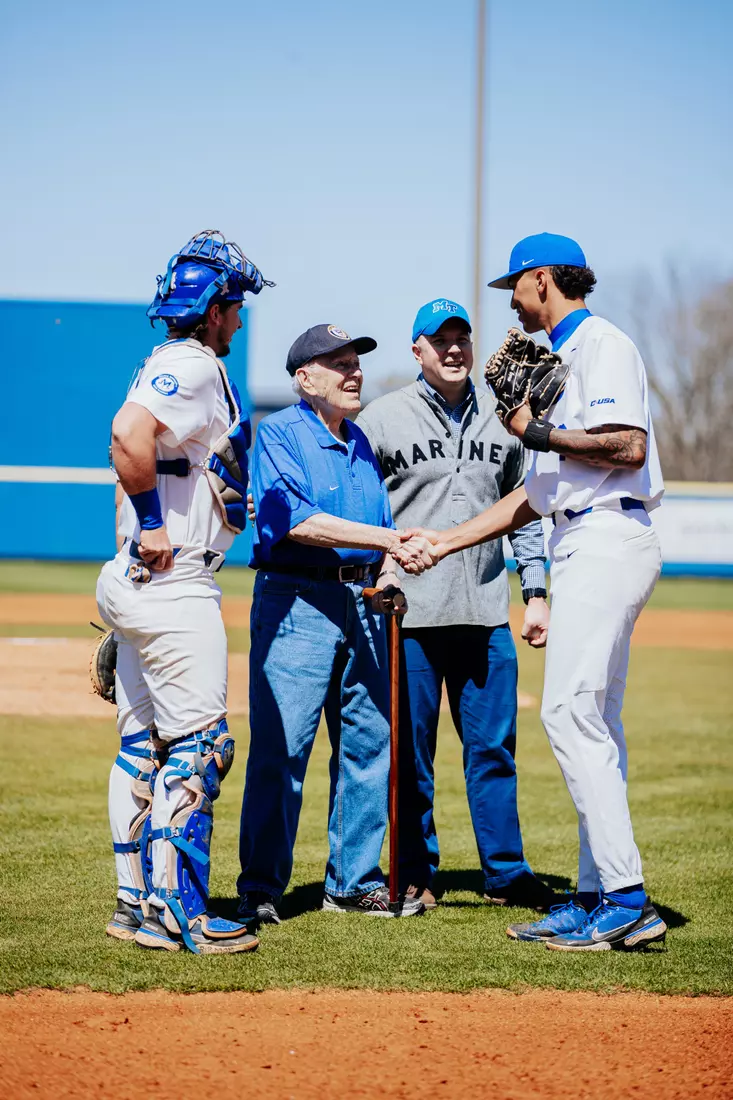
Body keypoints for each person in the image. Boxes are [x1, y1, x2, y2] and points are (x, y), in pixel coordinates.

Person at [405, 235, 668, 951]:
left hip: (608, 538)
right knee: (595, 726)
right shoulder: (560, 358)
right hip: (582, 532)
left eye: (514, 288)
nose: (510, 302)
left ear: (542, 279)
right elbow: (531, 498)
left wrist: (535, 429)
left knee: (566, 715)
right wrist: (445, 543)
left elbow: (627, 446)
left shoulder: (600, 344)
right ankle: (593, 895)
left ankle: (625, 899)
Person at [96, 230, 272, 954]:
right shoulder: (191, 365)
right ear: (212, 308)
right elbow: (126, 436)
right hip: (174, 584)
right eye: (233, 305)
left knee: (141, 747)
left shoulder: (166, 363)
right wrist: (151, 527)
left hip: (141, 586)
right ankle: (180, 912)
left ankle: (135, 904)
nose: (238, 319)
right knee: (202, 747)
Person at [356, 299, 555, 912]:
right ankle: (415, 872)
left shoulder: (507, 421)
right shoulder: (381, 419)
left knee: (494, 751)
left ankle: (506, 873)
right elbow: (367, 514)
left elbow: (526, 509)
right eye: (439, 339)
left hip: (488, 611)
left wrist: (538, 592)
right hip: (407, 616)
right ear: (415, 349)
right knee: (410, 758)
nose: (453, 349)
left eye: (461, 338)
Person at [237, 324, 435, 923]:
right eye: (339, 363)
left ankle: (352, 881)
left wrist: (391, 573)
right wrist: (391, 540)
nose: (354, 373)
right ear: (305, 378)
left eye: (356, 363)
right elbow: (296, 521)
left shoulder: (361, 443)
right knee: (283, 748)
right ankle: (262, 886)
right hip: (296, 602)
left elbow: (378, 523)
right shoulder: (279, 435)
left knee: (368, 745)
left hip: (363, 603)